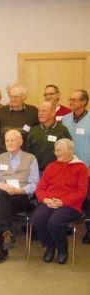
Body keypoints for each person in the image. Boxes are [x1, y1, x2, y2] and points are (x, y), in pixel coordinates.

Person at [32, 138, 88, 264]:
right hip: (50, 202)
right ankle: (50, 246)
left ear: (70, 151)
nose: (56, 153)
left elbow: (81, 193)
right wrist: (45, 199)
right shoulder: (52, 166)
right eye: (55, 150)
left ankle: (62, 249)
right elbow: (40, 188)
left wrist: (62, 202)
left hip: (71, 205)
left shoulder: (81, 168)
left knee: (54, 222)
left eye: (59, 150)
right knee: (38, 219)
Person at [0, 130, 40, 263]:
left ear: (21, 142)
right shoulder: (0, 158)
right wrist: (1, 186)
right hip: (2, 194)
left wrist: (20, 190)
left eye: (13, 140)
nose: (9, 143)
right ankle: (7, 234)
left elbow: (35, 184)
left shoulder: (31, 158)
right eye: (7, 140)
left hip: (20, 197)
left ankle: (1, 248)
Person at [61, 89, 90, 243]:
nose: (70, 102)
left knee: (88, 200)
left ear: (84, 102)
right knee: (67, 195)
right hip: (68, 167)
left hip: (87, 167)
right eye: (70, 99)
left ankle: (89, 230)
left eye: (74, 100)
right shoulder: (65, 119)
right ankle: (65, 224)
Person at [0, 82, 38, 164]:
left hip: (25, 157)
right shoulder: (1, 111)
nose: (13, 99)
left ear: (24, 97)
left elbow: (35, 136)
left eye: (16, 97)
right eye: (11, 96)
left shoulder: (32, 111)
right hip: (3, 156)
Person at [27, 101, 71, 175]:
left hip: (57, 172)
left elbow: (68, 152)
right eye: (39, 111)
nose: (40, 113)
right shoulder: (33, 130)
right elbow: (28, 152)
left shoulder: (62, 130)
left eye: (44, 111)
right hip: (36, 172)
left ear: (53, 113)